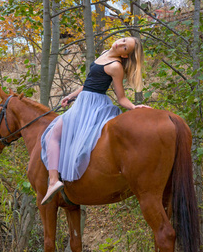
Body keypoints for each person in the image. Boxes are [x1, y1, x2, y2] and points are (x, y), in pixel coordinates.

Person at [40, 37, 151, 205]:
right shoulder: (105, 53)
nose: (120, 44)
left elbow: (121, 98)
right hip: (82, 101)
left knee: (53, 135)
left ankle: (53, 180)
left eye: (125, 48)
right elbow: (89, 83)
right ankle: (55, 179)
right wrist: (71, 96)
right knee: (55, 134)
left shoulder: (115, 66)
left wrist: (135, 107)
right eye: (123, 41)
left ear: (126, 56)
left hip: (93, 106)